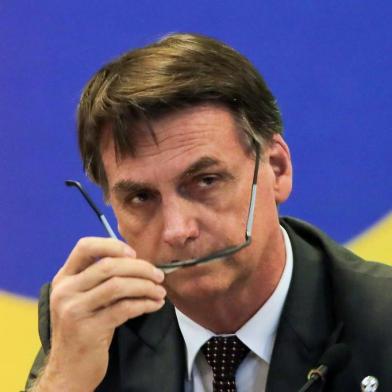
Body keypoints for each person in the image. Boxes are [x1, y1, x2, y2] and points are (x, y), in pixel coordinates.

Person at [25, 33, 392, 392]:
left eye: (206, 181)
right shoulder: (96, 328)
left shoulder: (381, 324)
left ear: (276, 169)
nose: (177, 230)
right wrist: (63, 381)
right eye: (140, 197)